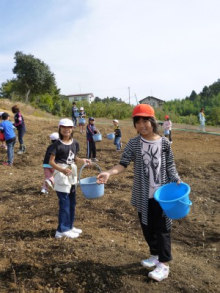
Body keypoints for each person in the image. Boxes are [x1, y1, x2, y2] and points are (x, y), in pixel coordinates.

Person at [97, 104, 181, 282]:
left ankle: (164, 264)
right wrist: (108, 173)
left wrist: (176, 178)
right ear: (135, 124)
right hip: (143, 195)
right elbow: (123, 163)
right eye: (138, 121)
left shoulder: (164, 142)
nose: (142, 125)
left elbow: (170, 165)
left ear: (153, 121)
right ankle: (155, 255)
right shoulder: (134, 143)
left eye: (146, 121)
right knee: (147, 227)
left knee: (163, 229)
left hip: (163, 196)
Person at [49, 118, 91, 239]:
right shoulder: (56, 145)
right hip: (62, 174)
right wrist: (61, 170)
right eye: (64, 127)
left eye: (69, 127)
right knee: (64, 202)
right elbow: (51, 162)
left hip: (71, 173)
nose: (66, 130)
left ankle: (70, 226)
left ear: (72, 129)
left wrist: (82, 160)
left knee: (72, 202)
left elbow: (74, 158)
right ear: (60, 128)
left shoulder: (75, 143)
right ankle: (61, 230)